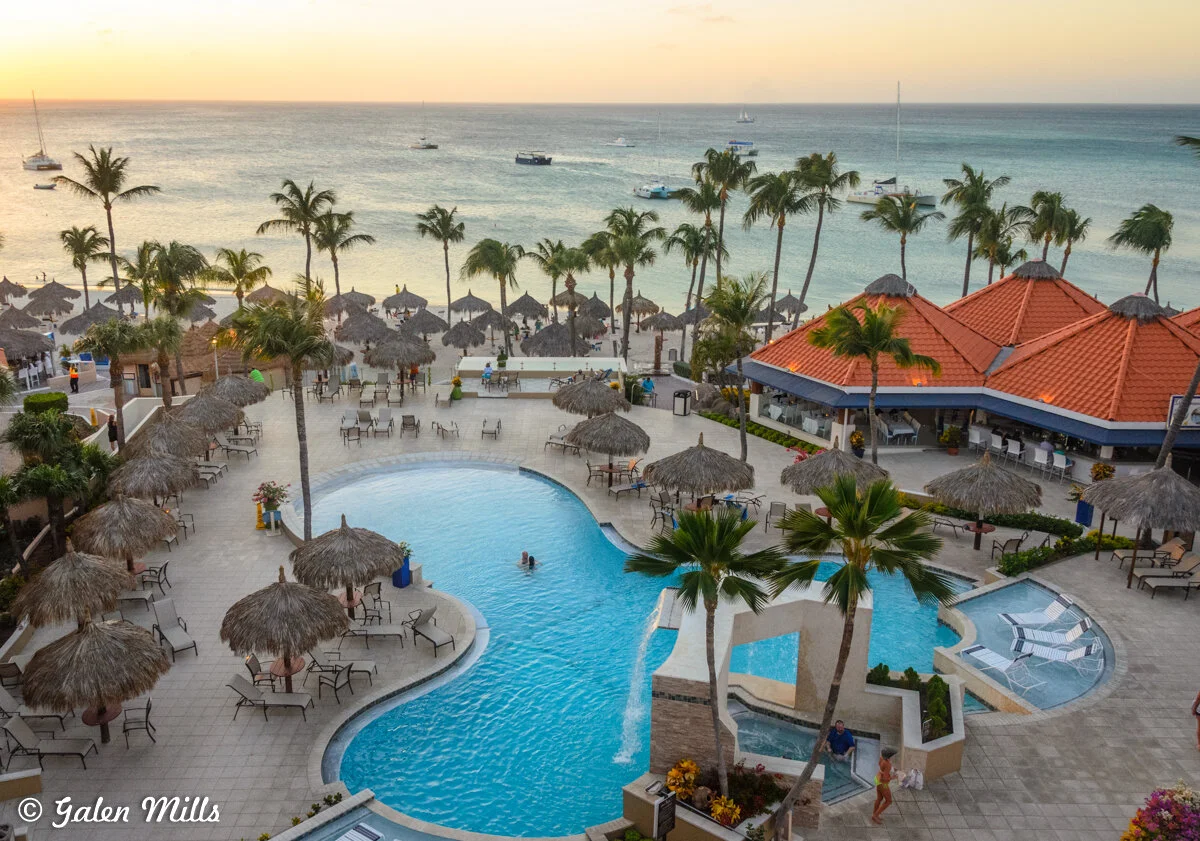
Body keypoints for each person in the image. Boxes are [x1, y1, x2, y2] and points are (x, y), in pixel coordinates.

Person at [871, 747, 897, 824]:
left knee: (879, 798)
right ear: (889, 756)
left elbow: (881, 766)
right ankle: (875, 815)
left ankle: (874, 814)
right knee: (888, 801)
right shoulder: (888, 764)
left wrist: (890, 770)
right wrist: (892, 777)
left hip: (877, 779)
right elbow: (884, 779)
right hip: (883, 783)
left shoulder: (881, 758)